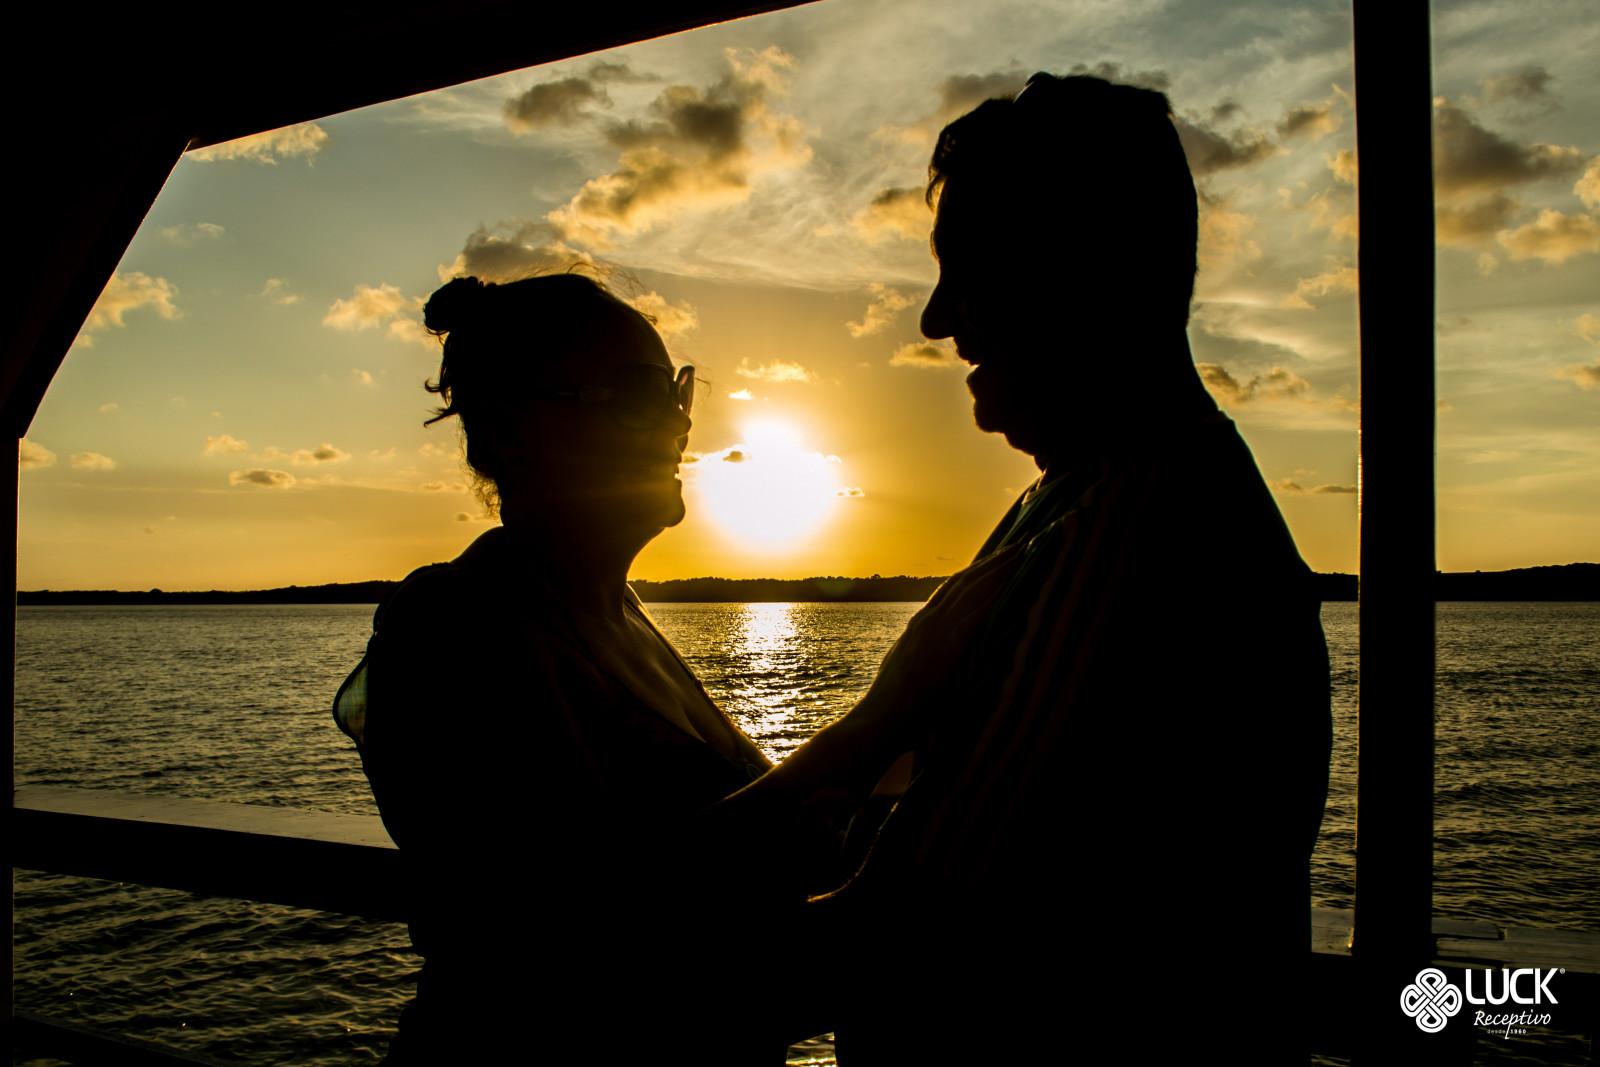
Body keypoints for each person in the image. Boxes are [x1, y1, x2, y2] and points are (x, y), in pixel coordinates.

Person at [714, 72, 1332, 1061]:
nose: (934, 317)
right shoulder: (1076, 498)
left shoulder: (1129, 535)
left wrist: (560, 965)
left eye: (967, 267)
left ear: (1079, 271)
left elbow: (890, 943)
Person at [331, 272, 780, 1064]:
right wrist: (886, 715)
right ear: (511, 432)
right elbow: (592, 927)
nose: (675, 424)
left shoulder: (622, 616)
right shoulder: (451, 623)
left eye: (679, 392)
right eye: (636, 391)